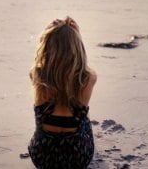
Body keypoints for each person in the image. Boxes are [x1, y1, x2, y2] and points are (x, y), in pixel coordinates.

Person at [28, 17, 97, 169]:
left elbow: (39, 63)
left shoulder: (37, 74)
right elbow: (82, 68)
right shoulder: (89, 78)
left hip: (43, 157)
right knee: (83, 116)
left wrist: (51, 34)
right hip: (78, 158)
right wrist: (76, 34)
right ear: (77, 48)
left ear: (46, 47)